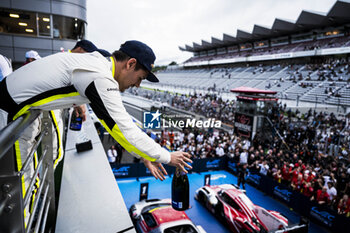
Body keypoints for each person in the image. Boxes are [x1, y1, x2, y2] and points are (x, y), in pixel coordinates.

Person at [0, 40, 192, 182]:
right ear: (130, 63)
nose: (137, 85)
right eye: (140, 77)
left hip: (15, 107)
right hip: (9, 113)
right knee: (21, 188)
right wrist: (167, 156)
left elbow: (116, 120)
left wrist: (146, 154)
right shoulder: (100, 75)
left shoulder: (98, 62)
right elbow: (123, 128)